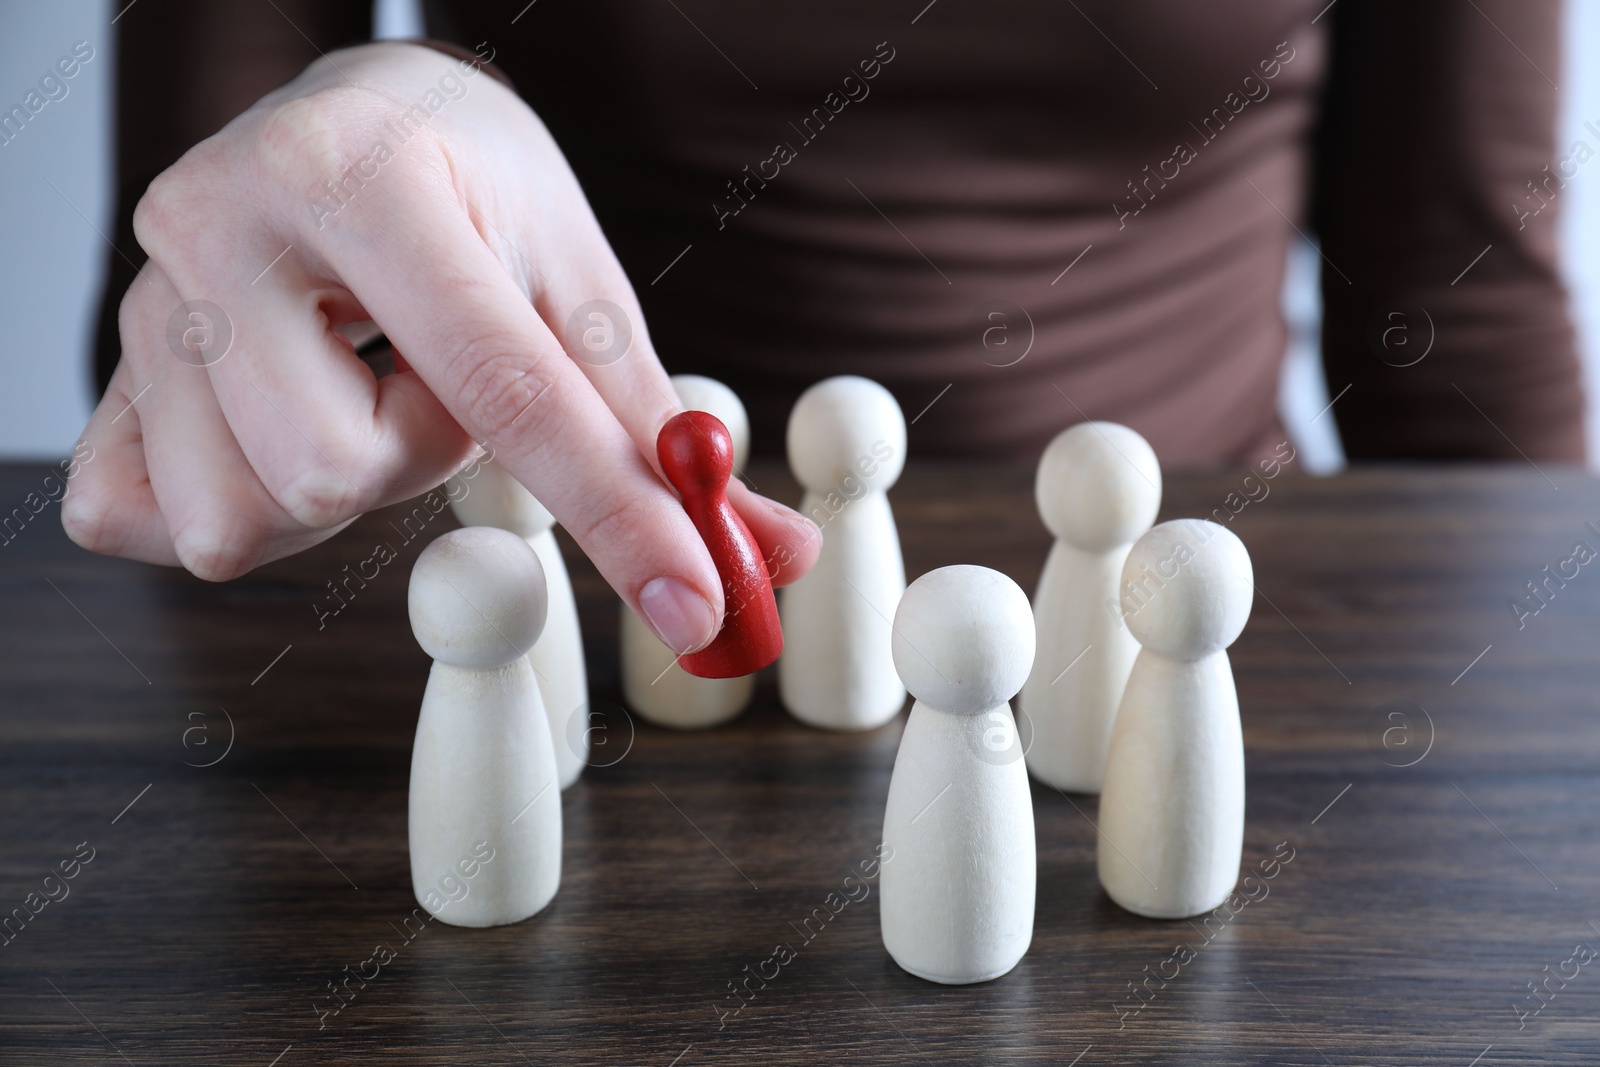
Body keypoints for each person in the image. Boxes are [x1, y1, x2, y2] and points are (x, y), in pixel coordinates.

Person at [63, 0, 1584, 656]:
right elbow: (198, 316)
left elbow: (1459, 322)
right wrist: (379, 125)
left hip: (1182, 614)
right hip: (560, 615)